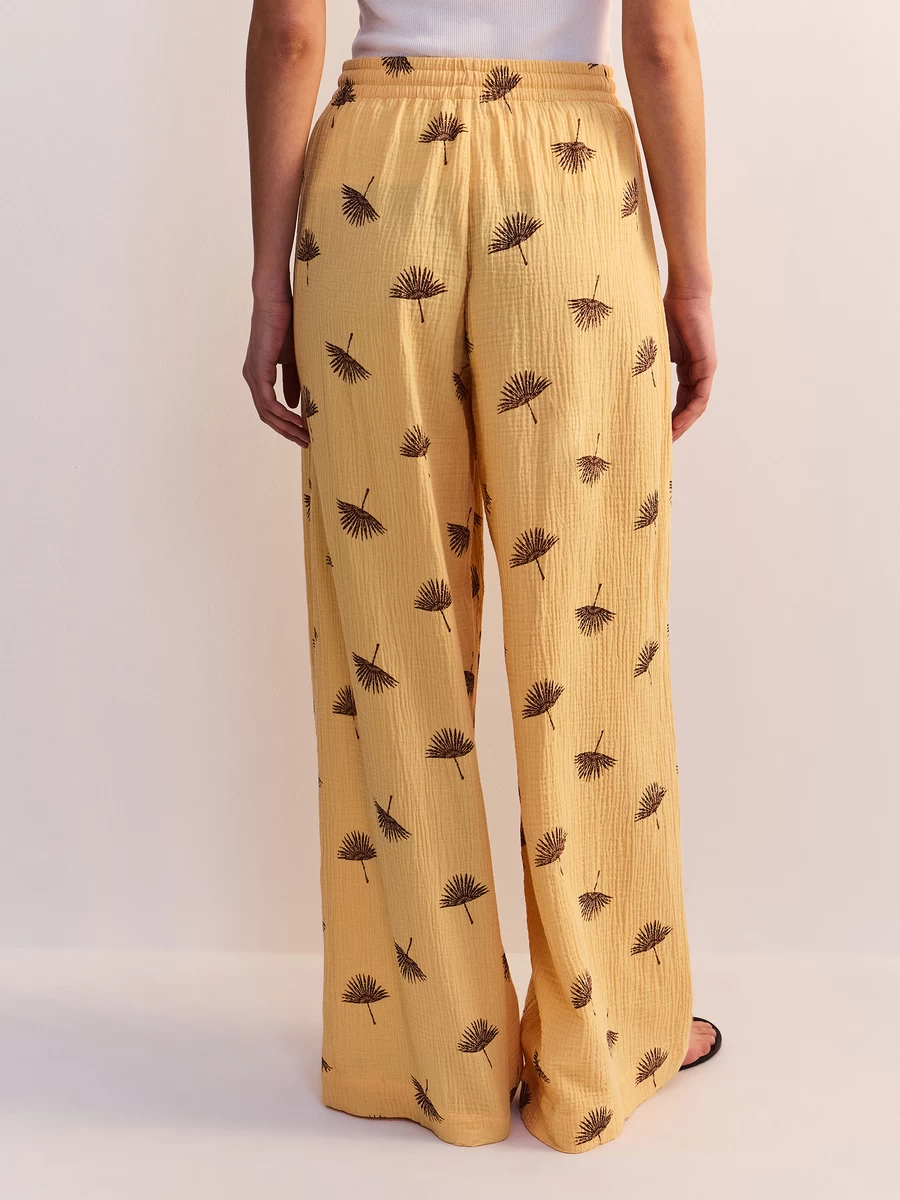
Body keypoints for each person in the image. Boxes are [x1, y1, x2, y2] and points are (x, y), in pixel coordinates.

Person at [242, 0, 720, 1154]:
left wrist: (269, 284)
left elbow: (292, 32)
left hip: (376, 189)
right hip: (570, 192)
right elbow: (659, 41)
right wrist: (692, 279)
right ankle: (599, 1048)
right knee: (593, 643)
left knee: (389, 646)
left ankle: (432, 1060)